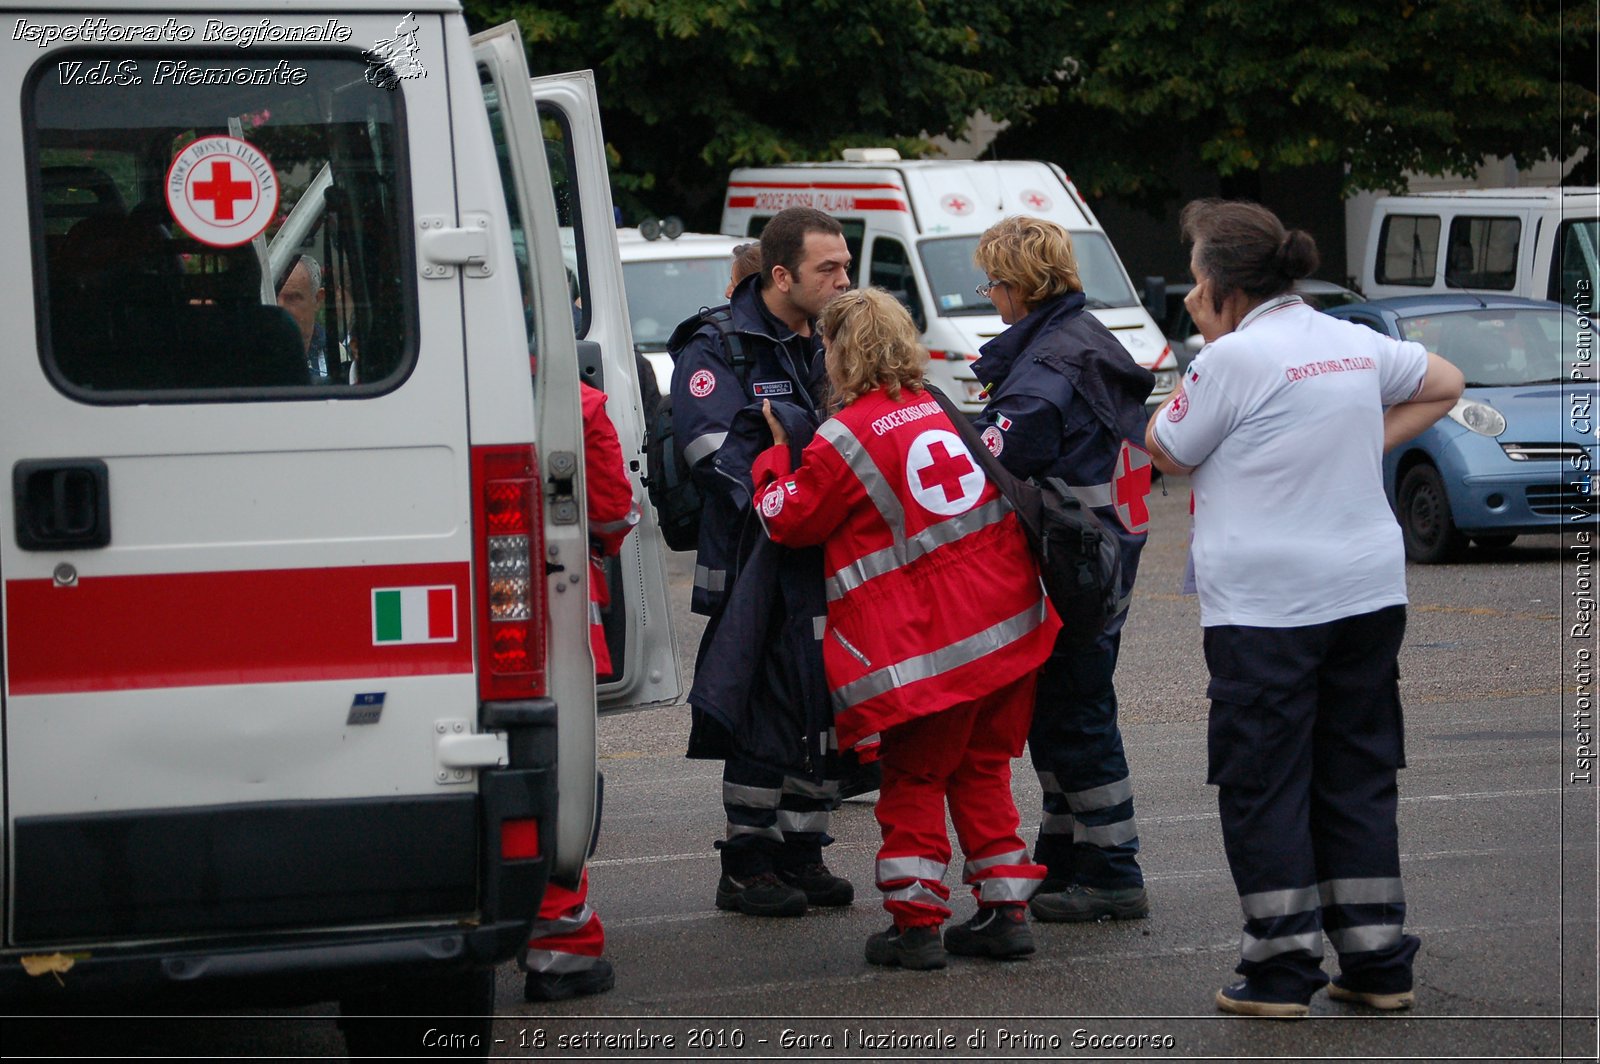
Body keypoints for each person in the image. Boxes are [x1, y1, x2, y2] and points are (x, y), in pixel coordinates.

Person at [1145, 199, 1464, 1018]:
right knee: (1355, 771)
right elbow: (1446, 383)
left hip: (1267, 606)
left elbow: (1169, 449)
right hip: (1365, 592)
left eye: (1194, 279)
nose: (1188, 296)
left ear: (1224, 285)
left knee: (1265, 779)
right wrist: (1364, 438)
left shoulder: (1233, 358)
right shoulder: (1351, 341)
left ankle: (1281, 970)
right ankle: (1375, 961)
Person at [752, 288, 1060, 969]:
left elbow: (790, 519)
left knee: (915, 776)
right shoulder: (940, 407)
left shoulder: (842, 436)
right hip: (1009, 628)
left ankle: (916, 923)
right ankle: (1006, 912)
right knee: (982, 770)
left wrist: (772, 461)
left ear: (840, 352)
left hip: (936, 648)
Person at [969, 216, 1155, 923]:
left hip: (1075, 572)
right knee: (1059, 715)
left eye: (991, 284)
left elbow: (988, 467)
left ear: (1016, 286)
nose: (990, 298)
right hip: (1106, 560)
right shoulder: (1087, 341)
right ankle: (1068, 853)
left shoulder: (1045, 371)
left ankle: (1113, 870)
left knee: (1076, 719)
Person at [671, 206, 854, 917]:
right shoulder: (717, 346)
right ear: (781, 276)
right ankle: (746, 861)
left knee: (823, 701)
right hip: (756, 560)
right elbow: (712, 451)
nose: (844, 280)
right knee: (760, 710)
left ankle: (802, 852)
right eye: (828, 269)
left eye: (845, 265)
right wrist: (794, 496)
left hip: (827, 557)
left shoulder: (837, 336)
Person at [520, 380, 640, 1002]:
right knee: (558, 774)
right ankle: (559, 941)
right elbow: (614, 509)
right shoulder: (577, 402)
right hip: (558, 606)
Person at [276, 254, 349, 384]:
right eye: (274, 295)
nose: (280, 307)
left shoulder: (337, 354)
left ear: (318, 299)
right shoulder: (253, 357)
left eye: (292, 298)